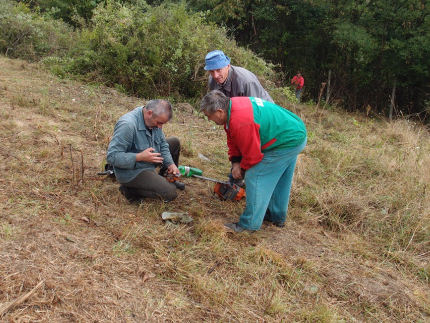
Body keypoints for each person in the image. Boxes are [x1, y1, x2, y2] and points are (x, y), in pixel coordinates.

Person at [200, 90, 307, 232]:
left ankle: (248, 225)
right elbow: (233, 138)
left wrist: (242, 170)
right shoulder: (232, 107)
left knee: (255, 176)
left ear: (219, 111)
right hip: (292, 131)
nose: (209, 119)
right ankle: (275, 216)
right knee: (280, 178)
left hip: (287, 140)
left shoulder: (241, 121)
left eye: (209, 116)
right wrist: (235, 162)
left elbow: (252, 157)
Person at [106, 99, 181, 202]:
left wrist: (171, 164)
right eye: (159, 123)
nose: (160, 127)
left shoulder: (152, 119)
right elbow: (112, 156)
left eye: (162, 124)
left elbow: (162, 144)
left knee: (174, 142)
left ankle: (165, 178)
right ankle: (130, 190)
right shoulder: (128, 125)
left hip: (149, 161)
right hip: (132, 172)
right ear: (149, 113)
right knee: (170, 192)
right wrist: (139, 157)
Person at [204, 50, 274, 103]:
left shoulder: (246, 81)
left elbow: (255, 110)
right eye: (211, 71)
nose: (215, 76)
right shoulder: (212, 80)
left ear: (228, 66)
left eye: (219, 70)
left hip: (265, 112)